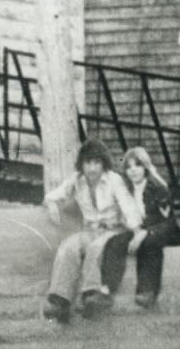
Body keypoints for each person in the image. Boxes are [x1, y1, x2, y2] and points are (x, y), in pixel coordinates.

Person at [41, 138, 142, 322]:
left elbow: (128, 206)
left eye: (97, 162)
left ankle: (91, 295)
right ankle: (60, 300)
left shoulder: (114, 180)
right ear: (82, 164)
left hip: (112, 231)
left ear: (103, 163)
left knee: (96, 248)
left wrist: (136, 231)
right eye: (88, 163)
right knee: (68, 247)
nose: (92, 168)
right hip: (89, 230)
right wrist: (51, 204)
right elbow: (55, 194)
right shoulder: (77, 181)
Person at [98, 146, 180, 309]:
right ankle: (106, 290)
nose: (133, 171)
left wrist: (145, 233)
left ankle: (147, 290)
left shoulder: (157, 187)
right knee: (115, 242)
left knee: (149, 243)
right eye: (129, 167)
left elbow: (168, 221)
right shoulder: (127, 189)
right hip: (140, 230)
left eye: (137, 165)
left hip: (162, 229)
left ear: (145, 167)